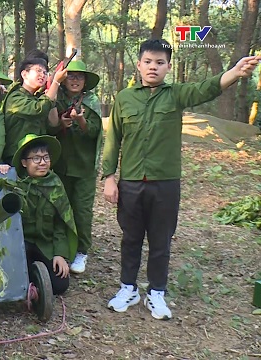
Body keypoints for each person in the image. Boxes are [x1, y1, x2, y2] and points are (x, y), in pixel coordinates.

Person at [103, 39, 261, 320]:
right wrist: (109, 177)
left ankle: (156, 293)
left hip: (165, 182)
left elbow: (208, 87)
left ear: (168, 67)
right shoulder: (124, 99)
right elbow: (113, 138)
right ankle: (128, 287)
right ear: (139, 65)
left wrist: (235, 72)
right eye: (148, 62)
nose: (153, 67)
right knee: (130, 238)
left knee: (161, 240)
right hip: (131, 181)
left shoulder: (175, 95)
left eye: (160, 63)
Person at [51, 60, 103, 274]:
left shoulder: (91, 101)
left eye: (79, 77)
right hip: (60, 164)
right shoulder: (57, 98)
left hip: (84, 167)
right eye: (71, 76)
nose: (75, 80)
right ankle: (61, 249)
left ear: (85, 82)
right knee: (60, 208)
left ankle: (82, 250)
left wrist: (80, 121)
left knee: (81, 211)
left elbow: (93, 132)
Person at [13, 134, 77, 295]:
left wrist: (60, 254)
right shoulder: (15, 185)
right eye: (36, 158)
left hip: (46, 244)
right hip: (21, 244)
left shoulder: (55, 185)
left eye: (46, 157)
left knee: (60, 284)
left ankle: (35, 281)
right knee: (15, 279)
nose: (42, 163)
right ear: (24, 162)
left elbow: (61, 223)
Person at [1, 58, 66, 164]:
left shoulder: (39, 98)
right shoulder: (15, 97)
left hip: (36, 157)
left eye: (45, 72)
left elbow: (53, 126)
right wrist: (56, 82)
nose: (43, 75)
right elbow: (37, 110)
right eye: (38, 70)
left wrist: (51, 95)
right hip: (15, 157)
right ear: (24, 74)